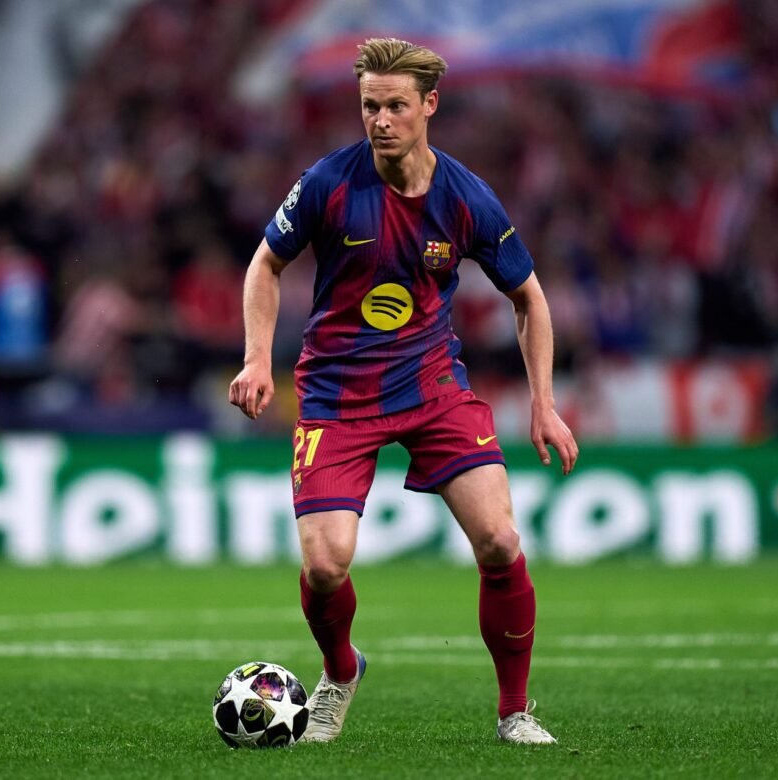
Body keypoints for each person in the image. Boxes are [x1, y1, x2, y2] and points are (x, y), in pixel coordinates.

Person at [228, 37, 578, 745]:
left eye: (395, 106)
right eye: (369, 107)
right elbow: (265, 265)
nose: (380, 121)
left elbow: (529, 299)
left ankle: (515, 711)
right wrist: (257, 358)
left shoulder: (467, 198)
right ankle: (341, 669)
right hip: (337, 394)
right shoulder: (329, 183)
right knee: (325, 565)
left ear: (429, 106)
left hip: (431, 387)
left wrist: (543, 403)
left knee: (501, 541)